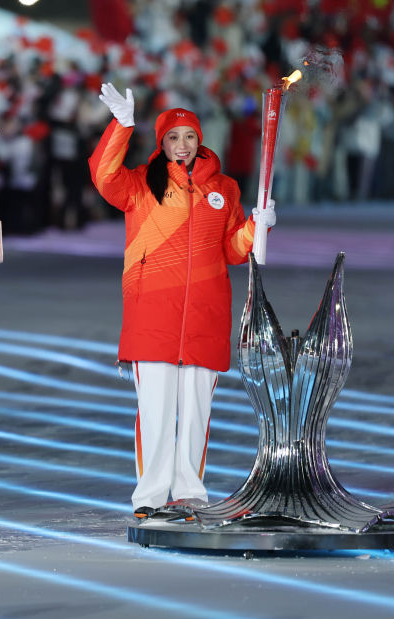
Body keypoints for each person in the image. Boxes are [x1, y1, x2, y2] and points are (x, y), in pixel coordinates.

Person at [90, 83, 275, 519]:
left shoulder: (225, 189)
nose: (182, 145)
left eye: (189, 136)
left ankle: (189, 491)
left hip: (205, 316)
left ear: (200, 140)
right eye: (173, 138)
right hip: (152, 313)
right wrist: (121, 125)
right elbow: (102, 176)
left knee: (195, 414)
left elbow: (233, 250)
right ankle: (151, 496)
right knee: (155, 414)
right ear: (162, 143)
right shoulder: (139, 185)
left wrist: (257, 224)